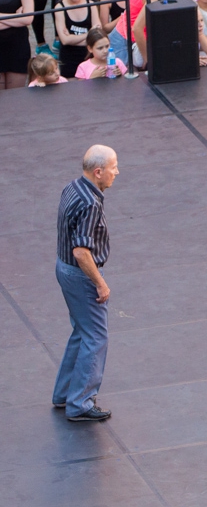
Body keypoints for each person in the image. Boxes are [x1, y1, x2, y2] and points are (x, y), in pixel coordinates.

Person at [53, 146, 119, 423]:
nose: (117, 172)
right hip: (80, 275)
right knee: (95, 337)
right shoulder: (91, 203)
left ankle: (66, 392)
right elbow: (82, 251)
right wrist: (100, 284)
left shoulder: (73, 187)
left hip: (64, 267)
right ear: (98, 171)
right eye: (113, 167)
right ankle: (80, 402)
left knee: (81, 332)